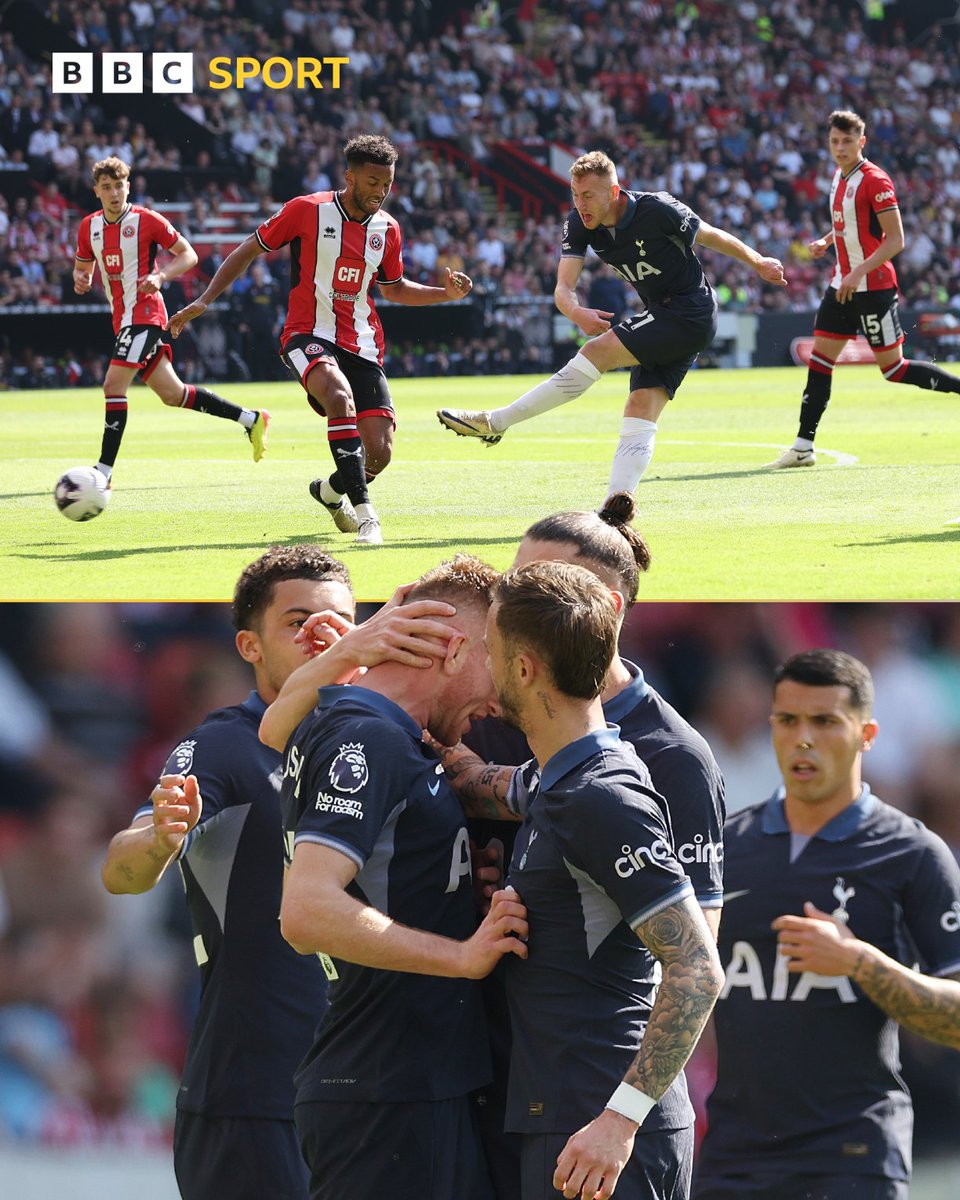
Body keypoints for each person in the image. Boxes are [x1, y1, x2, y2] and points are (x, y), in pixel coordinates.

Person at [100, 545, 459, 1200]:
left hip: (372, 1092)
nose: (322, 635)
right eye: (296, 621)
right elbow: (121, 870)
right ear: (249, 644)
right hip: (253, 1094)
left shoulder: (394, 740)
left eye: (344, 619)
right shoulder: (222, 745)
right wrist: (160, 839)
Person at [437, 494, 725, 1199]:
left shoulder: (606, 791)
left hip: (599, 1129)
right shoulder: (562, 778)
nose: (481, 661)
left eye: (492, 649)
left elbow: (697, 968)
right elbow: (502, 786)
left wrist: (620, 1122)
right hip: (560, 1115)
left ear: (527, 669)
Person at [278, 555, 528, 1200]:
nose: (499, 696)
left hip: (405, 1084)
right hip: (385, 1093)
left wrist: (348, 655)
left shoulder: (363, 724)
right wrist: (464, 956)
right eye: (495, 660)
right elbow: (305, 911)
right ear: (451, 649)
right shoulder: (368, 741)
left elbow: (274, 724)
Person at [694, 649, 960, 1200]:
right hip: (734, 1155)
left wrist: (859, 961)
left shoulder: (912, 853)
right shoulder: (726, 847)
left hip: (854, 1154)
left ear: (866, 734)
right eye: (788, 721)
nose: (803, 739)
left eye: (825, 721)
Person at [167, 134, 473, 546]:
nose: (380, 192)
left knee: (379, 453)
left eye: (387, 184)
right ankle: (367, 517)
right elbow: (248, 249)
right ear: (349, 176)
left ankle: (329, 493)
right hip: (305, 333)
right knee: (338, 396)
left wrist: (444, 295)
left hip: (361, 342)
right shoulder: (307, 210)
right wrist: (205, 299)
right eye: (371, 182)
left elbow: (394, 287)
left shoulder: (388, 229)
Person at [437, 149, 786, 502]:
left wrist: (758, 262)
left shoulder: (658, 209)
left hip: (689, 310)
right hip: (666, 318)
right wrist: (575, 313)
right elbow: (563, 288)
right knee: (640, 407)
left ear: (614, 193)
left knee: (596, 352)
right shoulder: (579, 223)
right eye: (575, 194)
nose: (581, 204)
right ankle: (616, 510)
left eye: (588, 195)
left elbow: (711, 235)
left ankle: (495, 422)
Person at [766, 110, 960, 469]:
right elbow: (851, 224)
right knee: (821, 362)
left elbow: (896, 240)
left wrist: (859, 272)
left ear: (862, 142)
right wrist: (827, 241)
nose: (840, 148)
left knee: (894, 370)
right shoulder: (839, 177)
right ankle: (803, 446)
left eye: (847, 142)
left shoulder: (876, 180)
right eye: (834, 141)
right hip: (841, 285)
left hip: (873, 289)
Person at [73, 156, 268, 487]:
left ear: (128, 187)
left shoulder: (146, 220)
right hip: (123, 320)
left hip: (146, 315)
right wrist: (80, 278)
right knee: (173, 394)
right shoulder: (88, 227)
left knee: (112, 386)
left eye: (119, 186)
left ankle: (102, 473)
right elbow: (83, 269)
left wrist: (161, 275)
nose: (114, 193)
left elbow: (189, 254)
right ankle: (250, 419)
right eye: (107, 188)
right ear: (97, 192)